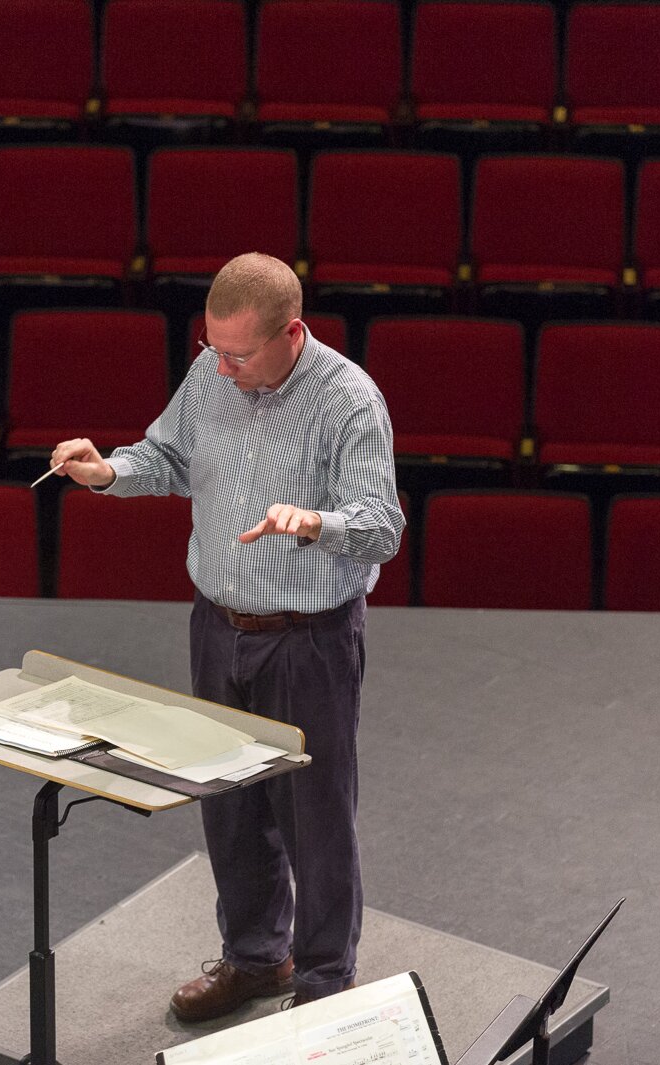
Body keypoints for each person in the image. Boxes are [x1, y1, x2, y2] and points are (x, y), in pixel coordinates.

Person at [50, 252, 404, 1021]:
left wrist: (316, 522)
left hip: (308, 638)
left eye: (239, 355)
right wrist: (108, 471)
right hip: (217, 626)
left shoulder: (349, 401)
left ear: (291, 335)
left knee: (314, 818)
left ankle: (324, 982)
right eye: (211, 348)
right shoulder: (211, 376)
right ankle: (256, 957)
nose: (222, 368)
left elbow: (382, 528)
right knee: (230, 806)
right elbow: (167, 457)